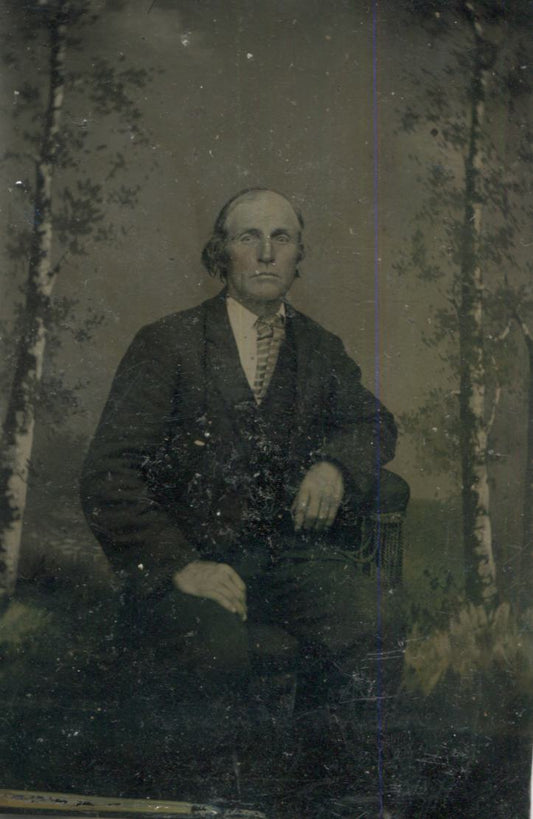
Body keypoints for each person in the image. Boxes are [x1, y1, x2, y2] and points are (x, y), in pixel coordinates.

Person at [80, 188, 408, 802]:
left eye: (280, 238)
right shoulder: (168, 343)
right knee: (218, 655)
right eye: (247, 237)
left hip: (284, 560)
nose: (264, 254)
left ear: (298, 255)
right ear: (221, 253)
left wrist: (335, 466)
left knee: (375, 616)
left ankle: (326, 797)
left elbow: (375, 423)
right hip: (191, 564)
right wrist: (180, 566)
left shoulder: (319, 348)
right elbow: (108, 475)